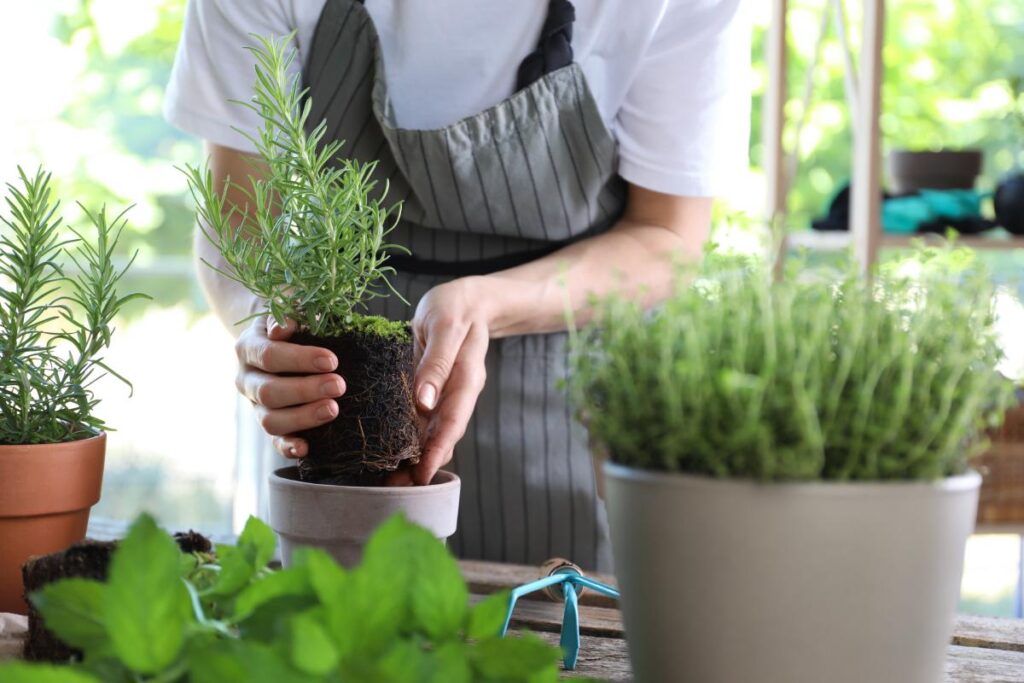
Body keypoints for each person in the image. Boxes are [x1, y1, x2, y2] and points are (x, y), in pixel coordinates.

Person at [166, 0, 750, 571]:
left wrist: (485, 301)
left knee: (556, 619)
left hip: (567, 387)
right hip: (340, 405)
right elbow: (239, 214)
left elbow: (666, 237)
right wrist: (265, 327)